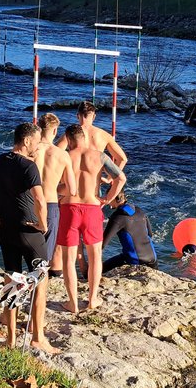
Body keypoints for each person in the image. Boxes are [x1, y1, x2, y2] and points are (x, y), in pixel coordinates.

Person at [0, 122, 59, 354]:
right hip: (28, 232)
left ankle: (10, 340)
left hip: (5, 230)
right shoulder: (28, 166)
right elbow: (40, 200)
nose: (39, 146)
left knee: (11, 281)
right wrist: (43, 224)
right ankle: (37, 338)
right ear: (27, 141)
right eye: (37, 141)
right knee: (41, 280)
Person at [57, 124, 126, 313]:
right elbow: (121, 178)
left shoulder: (64, 156)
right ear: (84, 139)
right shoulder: (99, 156)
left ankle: (72, 302)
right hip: (92, 208)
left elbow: (53, 184)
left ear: (69, 140)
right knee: (95, 256)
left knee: (68, 259)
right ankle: (92, 299)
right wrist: (108, 198)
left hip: (68, 208)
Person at [34, 113, 77, 277]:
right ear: (55, 131)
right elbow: (71, 190)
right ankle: (39, 284)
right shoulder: (62, 155)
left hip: (30, 203)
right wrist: (54, 188)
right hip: (50, 203)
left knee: (28, 247)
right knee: (45, 253)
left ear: (39, 128)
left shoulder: (31, 151)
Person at [57, 101, 127, 170]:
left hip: (74, 178)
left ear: (78, 116)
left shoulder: (71, 134)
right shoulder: (104, 135)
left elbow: (55, 155)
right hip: (94, 179)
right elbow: (122, 159)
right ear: (94, 116)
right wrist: (110, 178)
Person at [102, 190, 157, 273]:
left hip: (135, 260)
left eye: (107, 197)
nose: (107, 201)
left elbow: (102, 243)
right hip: (153, 258)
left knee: (100, 269)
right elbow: (150, 234)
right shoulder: (139, 210)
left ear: (113, 198)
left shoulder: (117, 217)